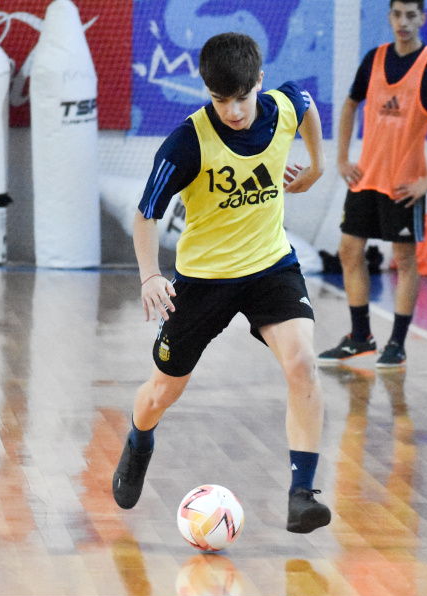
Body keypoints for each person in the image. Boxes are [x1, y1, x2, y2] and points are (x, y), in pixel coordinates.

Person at [112, 32, 332, 533]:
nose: (232, 111)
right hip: (203, 280)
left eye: (241, 98)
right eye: (219, 100)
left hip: (269, 267)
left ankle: (302, 494)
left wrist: (318, 167)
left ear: (259, 81)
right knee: (162, 393)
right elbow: (146, 216)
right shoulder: (187, 143)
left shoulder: (281, 108)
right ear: (206, 92)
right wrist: (150, 275)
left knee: (301, 362)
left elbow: (305, 101)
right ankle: (139, 441)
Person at [318, 0, 427, 368]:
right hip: (366, 177)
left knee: (403, 259)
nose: (403, 22)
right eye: (397, 14)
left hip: (404, 184)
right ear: (389, 17)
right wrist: (341, 158)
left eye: (411, 15)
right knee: (349, 251)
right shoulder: (374, 59)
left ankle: (397, 343)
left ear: (423, 19)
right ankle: (360, 337)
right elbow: (350, 104)